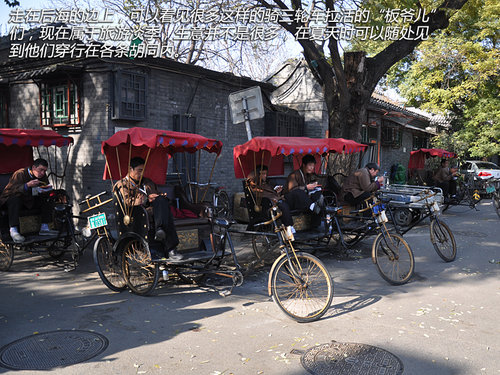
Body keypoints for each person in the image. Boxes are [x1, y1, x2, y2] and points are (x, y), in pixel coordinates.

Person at [114, 157, 183, 261]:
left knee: (162, 201)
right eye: (139, 171)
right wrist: (146, 199)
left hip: (156, 211)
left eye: (143, 171)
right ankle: (170, 247)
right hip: (137, 214)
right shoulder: (122, 184)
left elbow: (157, 193)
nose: (141, 174)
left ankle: (160, 230)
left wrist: (159, 196)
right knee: (166, 215)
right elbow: (127, 202)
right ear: (130, 169)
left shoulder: (147, 182)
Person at [0, 158, 57, 243]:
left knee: (48, 199)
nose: (43, 173)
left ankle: (44, 227)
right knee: (15, 199)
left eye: (45, 171)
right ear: (33, 167)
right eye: (41, 170)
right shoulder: (20, 174)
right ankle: (13, 230)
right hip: (13, 199)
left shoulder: (43, 176)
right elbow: (12, 190)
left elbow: (45, 187)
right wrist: (27, 185)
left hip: (30, 199)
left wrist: (45, 190)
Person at [247, 165, 294, 233]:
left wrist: (276, 192)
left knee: (291, 196)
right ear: (257, 175)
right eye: (263, 174)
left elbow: (271, 194)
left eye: (266, 174)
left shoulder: (266, 183)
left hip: (276, 200)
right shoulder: (255, 186)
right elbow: (265, 196)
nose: (265, 176)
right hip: (270, 206)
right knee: (284, 206)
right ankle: (290, 228)